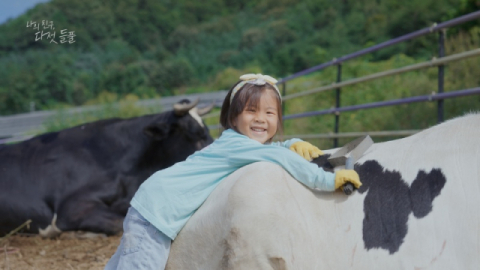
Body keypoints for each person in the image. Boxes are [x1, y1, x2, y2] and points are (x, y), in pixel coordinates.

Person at [104, 73, 361, 270]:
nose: (261, 118)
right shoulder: (237, 145)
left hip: (154, 199)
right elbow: (277, 156)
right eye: (251, 111)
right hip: (158, 210)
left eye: (269, 113)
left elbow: (266, 149)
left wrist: (290, 143)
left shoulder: (235, 143)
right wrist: (329, 181)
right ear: (233, 118)